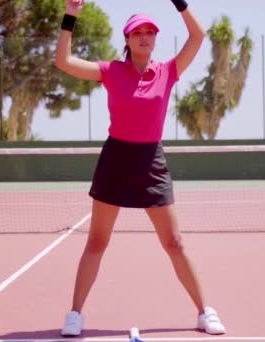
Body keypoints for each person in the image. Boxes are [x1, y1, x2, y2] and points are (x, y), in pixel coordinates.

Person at [55, 0, 226, 336]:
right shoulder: (111, 71)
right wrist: (70, 15)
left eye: (150, 32)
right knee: (97, 242)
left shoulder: (168, 71)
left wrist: (179, 3)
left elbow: (198, 34)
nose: (145, 37)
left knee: (174, 242)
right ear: (128, 39)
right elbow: (63, 61)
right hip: (116, 159)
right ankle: (75, 315)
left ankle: (205, 312)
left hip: (152, 162)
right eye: (138, 33)